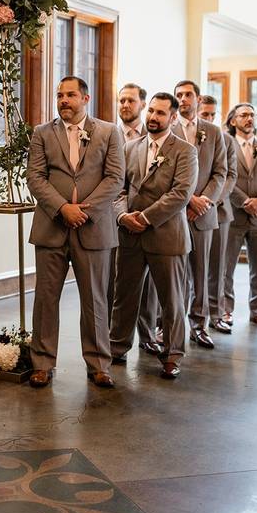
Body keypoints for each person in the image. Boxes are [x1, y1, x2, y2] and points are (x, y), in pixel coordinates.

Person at [25, 76, 125, 389]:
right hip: (51, 227)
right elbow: (36, 177)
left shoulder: (109, 132)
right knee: (45, 299)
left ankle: (98, 364)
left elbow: (115, 178)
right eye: (59, 95)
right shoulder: (42, 133)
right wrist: (61, 208)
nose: (64, 100)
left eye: (70, 95)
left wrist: (83, 210)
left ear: (86, 98)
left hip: (93, 228)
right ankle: (41, 363)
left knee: (95, 300)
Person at [109, 92, 197, 379]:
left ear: (172, 118)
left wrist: (145, 218)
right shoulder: (130, 148)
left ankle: (172, 354)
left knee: (171, 300)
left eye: (161, 113)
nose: (153, 118)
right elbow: (119, 189)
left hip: (166, 235)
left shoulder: (185, 151)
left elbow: (181, 194)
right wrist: (123, 216)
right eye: (151, 112)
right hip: (130, 235)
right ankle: (117, 346)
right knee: (124, 295)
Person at [172, 81, 227, 349]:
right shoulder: (167, 128)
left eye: (188, 95)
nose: (183, 99)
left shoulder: (213, 132)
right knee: (172, 274)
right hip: (174, 213)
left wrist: (205, 201)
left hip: (203, 213)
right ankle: (167, 326)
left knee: (201, 271)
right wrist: (187, 200)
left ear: (198, 98)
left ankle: (199, 324)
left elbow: (221, 172)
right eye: (179, 95)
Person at [113, 83, 161, 356]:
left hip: (149, 221)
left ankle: (148, 334)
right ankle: (115, 338)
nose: (125, 105)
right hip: (116, 217)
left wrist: (145, 216)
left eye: (131, 101)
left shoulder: (157, 135)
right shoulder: (108, 133)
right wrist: (120, 214)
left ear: (142, 104)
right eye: (121, 101)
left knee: (149, 287)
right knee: (117, 283)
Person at [222, 103, 257, 328]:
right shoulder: (225, 144)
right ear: (233, 120)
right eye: (244, 115)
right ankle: (225, 311)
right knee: (226, 267)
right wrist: (244, 201)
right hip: (234, 214)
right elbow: (223, 176)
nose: (249, 118)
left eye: (252, 115)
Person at [198, 96, 238, 333]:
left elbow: (229, 174)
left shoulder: (225, 140)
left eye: (213, 115)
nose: (210, 119)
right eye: (205, 114)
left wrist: (209, 200)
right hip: (185, 210)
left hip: (217, 211)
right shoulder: (182, 134)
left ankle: (216, 313)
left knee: (216, 267)